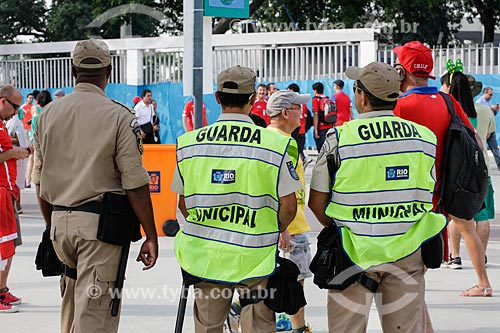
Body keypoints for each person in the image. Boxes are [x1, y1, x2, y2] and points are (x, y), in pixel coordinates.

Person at [308, 62, 446, 332]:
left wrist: (344, 225)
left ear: (361, 95)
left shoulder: (340, 138)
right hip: (408, 251)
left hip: (352, 252)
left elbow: (316, 202)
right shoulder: (424, 138)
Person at [32, 39, 158, 332]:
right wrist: (150, 235)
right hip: (99, 230)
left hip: (60, 225)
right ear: (109, 71)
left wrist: (53, 224)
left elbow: (39, 180)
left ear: (73, 69)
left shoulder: (47, 115)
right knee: (97, 317)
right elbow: (135, 183)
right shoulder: (119, 116)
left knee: (72, 312)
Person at [171, 65, 301, 333]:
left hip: (206, 257)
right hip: (256, 258)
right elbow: (289, 205)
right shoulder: (275, 145)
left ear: (217, 98)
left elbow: (183, 204)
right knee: (258, 326)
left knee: (208, 327)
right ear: (253, 99)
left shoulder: (188, 143)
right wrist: (272, 229)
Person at [393, 40, 492, 297]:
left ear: (401, 71)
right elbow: (475, 141)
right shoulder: (447, 101)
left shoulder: (400, 106)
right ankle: (483, 283)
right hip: (447, 190)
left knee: (408, 253)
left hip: (412, 191)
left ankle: (406, 303)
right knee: (457, 233)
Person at [266, 90, 313, 333]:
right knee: (295, 281)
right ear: (285, 112)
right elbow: (279, 187)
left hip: (278, 224)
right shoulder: (285, 142)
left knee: (278, 280)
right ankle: (299, 328)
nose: (301, 114)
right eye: (298, 109)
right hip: (290, 225)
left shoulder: (264, 138)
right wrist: (283, 227)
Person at [442, 70, 494, 270]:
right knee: (483, 216)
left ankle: (455, 256)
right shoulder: (484, 110)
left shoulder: (449, 110)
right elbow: (488, 135)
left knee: (458, 215)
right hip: (481, 170)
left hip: (456, 170)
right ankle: (481, 256)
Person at [0, 84, 30, 313]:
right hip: (1, 193)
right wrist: (11, 154)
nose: (17, 112)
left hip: (8, 192)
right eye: (15, 107)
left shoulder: (2, 124)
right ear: (3, 101)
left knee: (10, 245)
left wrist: (18, 149)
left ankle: (2, 290)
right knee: (4, 246)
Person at [6, 106, 30, 213]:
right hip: (9, 155)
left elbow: (19, 140)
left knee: (15, 182)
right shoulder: (7, 120)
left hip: (15, 154)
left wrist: (6, 138)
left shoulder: (16, 122)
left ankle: (17, 205)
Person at [476, 87, 500, 171]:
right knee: (482, 147)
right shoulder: (480, 102)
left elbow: (492, 115)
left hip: (490, 128)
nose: (491, 96)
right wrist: (491, 109)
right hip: (485, 129)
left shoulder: (488, 102)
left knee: (494, 148)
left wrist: (495, 110)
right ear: (485, 92)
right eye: (490, 94)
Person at [312, 82, 332, 151]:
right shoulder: (327, 98)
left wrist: (315, 130)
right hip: (329, 126)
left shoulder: (315, 99)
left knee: (322, 150)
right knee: (329, 148)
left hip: (321, 128)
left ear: (315, 90)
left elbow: (316, 114)